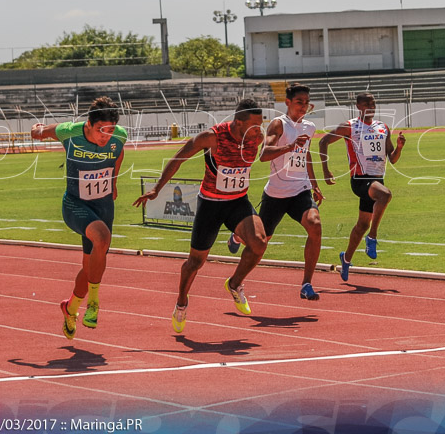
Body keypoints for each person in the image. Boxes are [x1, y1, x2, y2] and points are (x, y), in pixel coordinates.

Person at [135, 99, 296, 333]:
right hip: (210, 203)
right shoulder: (212, 137)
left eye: (260, 124)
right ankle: (181, 302)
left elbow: (263, 154)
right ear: (238, 122)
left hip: (238, 202)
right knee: (195, 263)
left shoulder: (257, 137)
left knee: (259, 242)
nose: (258, 130)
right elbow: (179, 157)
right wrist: (157, 188)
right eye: (253, 125)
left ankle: (234, 283)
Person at [31, 97, 127, 340]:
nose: (106, 136)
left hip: (103, 204)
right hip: (76, 203)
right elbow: (44, 132)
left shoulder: (119, 137)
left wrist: (113, 182)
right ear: (88, 124)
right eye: (100, 130)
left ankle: (70, 307)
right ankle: (94, 303)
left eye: (110, 130)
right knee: (102, 238)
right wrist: (38, 130)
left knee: (91, 266)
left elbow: (118, 154)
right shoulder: (70, 132)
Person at [228, 84, 323, 300]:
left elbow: (306, 154)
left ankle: (306, 284)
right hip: (276, 195)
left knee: (315, 225)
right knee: (261, 242)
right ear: (288, 103)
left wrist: (315, 184)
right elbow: (264, 154)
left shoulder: (309, 127)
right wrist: (289, 146)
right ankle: (238, 239)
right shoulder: (279, 124)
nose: (304, 106)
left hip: (301, 190)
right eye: (299, 102)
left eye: (307, 102)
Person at [318, 92, 404, 281]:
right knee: (385, 195)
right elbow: (323, 141)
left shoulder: (383, 128)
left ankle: (346, 259)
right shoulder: (350, 127)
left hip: (376, 180)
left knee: (362, 224)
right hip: (359, 179)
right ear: (358, 106)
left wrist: (399, 147)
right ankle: (372, 238)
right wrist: (326, 170)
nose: (370, 107)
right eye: (366, 104)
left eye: (373, 103)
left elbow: (393, 159)